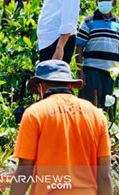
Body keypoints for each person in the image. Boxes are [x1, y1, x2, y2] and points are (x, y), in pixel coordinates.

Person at [10, 60, 112, 195]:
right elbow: (104, 177)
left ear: (40, 87)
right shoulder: (96, 115)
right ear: (70, 84)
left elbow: (24, 171)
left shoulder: (35, 113)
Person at [76, 0, 119, 111]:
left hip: (112, 74)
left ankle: (107, 131)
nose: (104, 1)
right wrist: (80, 71)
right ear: (97, 2)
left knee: (109, 108)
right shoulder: (89, 21)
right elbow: (79, 48)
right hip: (91, 71)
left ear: (113, 2)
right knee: (90, 108)